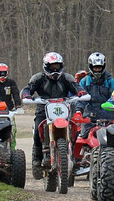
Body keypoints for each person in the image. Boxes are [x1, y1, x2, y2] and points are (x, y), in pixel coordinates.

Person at [21, 52, 84, 180]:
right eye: (52, 67)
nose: (55, 70)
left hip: (63, 109)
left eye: (57, 66)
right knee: (36, 134)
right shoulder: (38, 78)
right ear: (46, 66)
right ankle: (37, 160)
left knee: (74, 129)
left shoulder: (66, 78)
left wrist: (81, 93)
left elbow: (76, 87)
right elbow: (27, 89)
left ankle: (74, 157)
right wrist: (27, 95)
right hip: (43, 109)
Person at [73, 52, 114, 137]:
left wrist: (113, 104)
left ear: (104, 67)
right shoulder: (84, 81)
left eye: (99, 68)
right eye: (95, 68)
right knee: (82, 137)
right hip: (90, 117)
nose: (97, 70)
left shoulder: (110, 81)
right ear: (91, 67)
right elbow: (81, 97)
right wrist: (79, 111)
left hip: (108, 116)